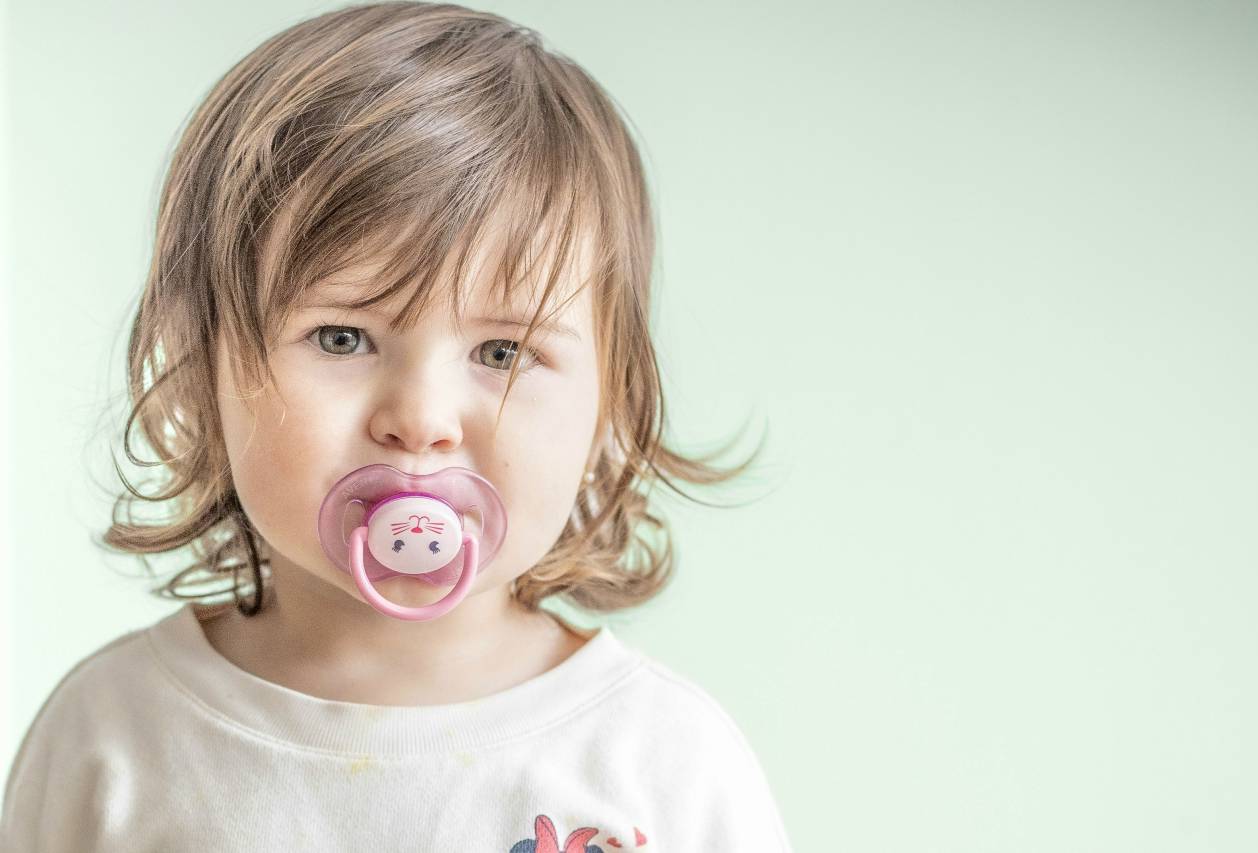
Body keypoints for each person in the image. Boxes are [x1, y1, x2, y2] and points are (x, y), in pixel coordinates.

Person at [0, 2, 789, 850]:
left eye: (501, 351)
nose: (420, 421)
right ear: (199, 366)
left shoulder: (667, 764)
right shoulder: (113, 739)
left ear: (614, 402)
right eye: (343, 337)